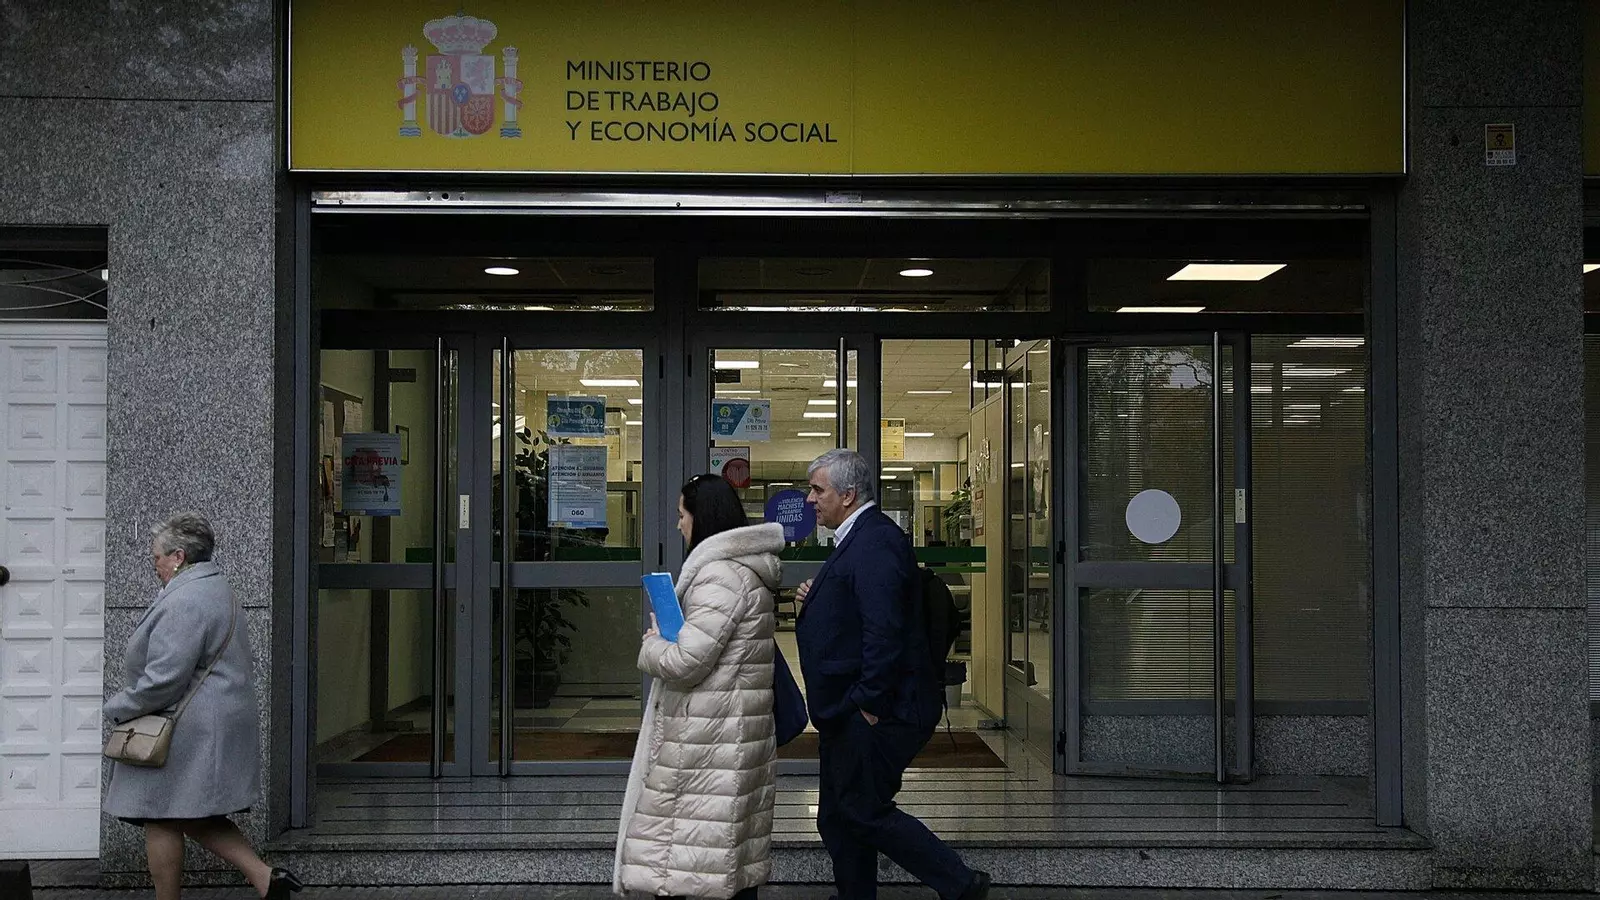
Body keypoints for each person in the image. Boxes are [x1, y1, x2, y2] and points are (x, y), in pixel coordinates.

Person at [794, 449, 990, 900]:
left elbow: (884, 631)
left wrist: (868, 702)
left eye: (818, 490)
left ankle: (961, 884)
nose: (810, 499)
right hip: (851, 706)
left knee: (861, 809)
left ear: (848, 494)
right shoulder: (859, 538)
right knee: (837, 815)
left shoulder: (875, 541)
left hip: (875, 709)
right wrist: (818, 598)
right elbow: (862, 607)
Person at [103, 513, 302, 900]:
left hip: (187, 726)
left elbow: (165, 678)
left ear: (178, 556)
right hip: (207, 721)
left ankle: (249, 881)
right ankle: (266, 879)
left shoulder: (186, 599)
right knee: (184, 812)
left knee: (160, 812)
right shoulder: (215, 587)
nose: (155, 565)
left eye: (157, 557)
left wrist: (119, 707)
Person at [615, 474, 787, 899]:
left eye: (682, 515)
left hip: (708, 739)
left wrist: (653, 643)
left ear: (702, 517)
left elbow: (687, 661)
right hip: (731, 734)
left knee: (687, 858)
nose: (678, 525)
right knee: (724, 856)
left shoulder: (720, 575)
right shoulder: (744, 571)